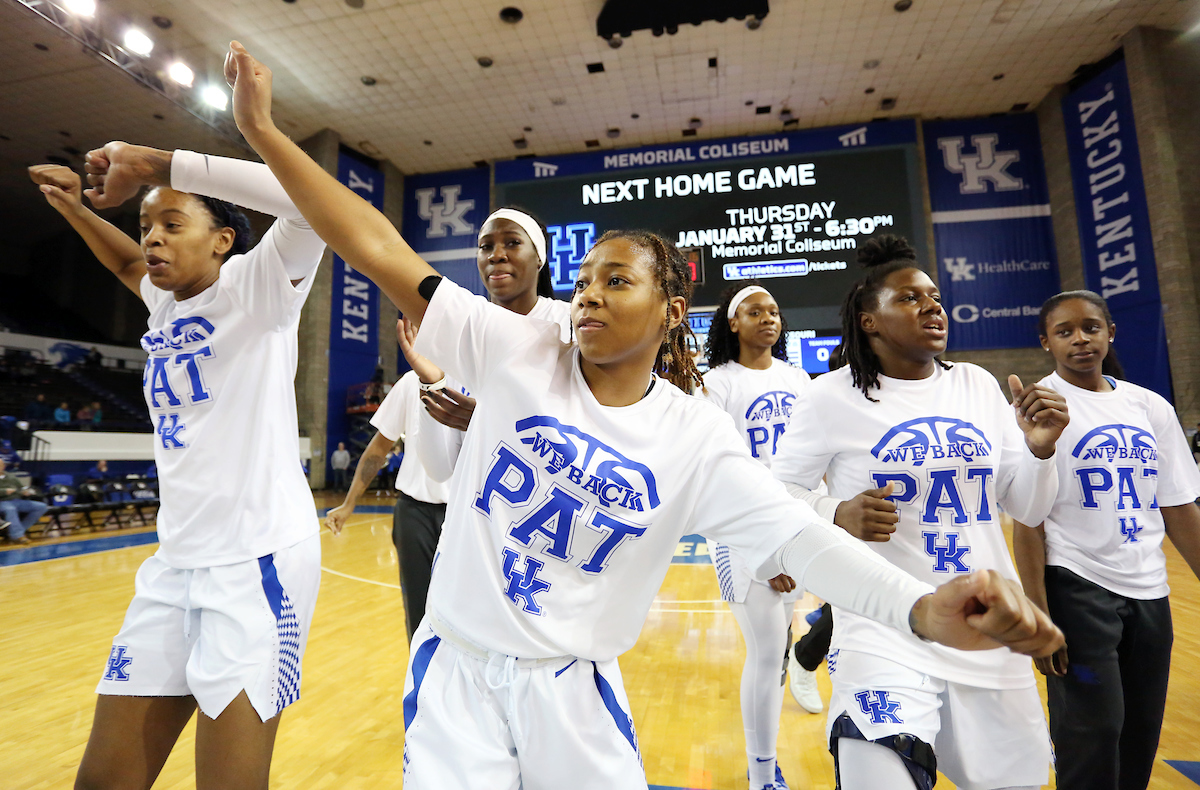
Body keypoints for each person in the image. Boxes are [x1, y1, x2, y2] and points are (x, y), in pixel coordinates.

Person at [224, 41, 1064, 789]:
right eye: (585, 280)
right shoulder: (516, 350)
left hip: (575, 688)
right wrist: (263, 131)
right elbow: (372, 242)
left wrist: (920, 609)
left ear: (671, 311)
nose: (590, 293)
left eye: (617, 280)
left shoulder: (693, 434)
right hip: (458, 676)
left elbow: (801, 537)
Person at [30, 132, 325, 790]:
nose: (153, 239)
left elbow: (308, 204)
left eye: (171, 223)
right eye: (145, 225)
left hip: (259, 563)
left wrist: (156, 165)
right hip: (174, 564)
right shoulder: (164, 302)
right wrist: (75, 209)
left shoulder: (260, 287)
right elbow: (123, 267)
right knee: (102, 781)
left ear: (222, 239)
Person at [772, 235, 1070, 790]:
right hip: (883, 631)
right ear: (869, 321)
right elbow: (775, 493)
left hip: (987, 630)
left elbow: (1027, 504)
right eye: (910, 298)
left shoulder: (977, 386)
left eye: (935, 296)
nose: (933, 306)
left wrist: (1041, 450)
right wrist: (835, 511)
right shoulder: (830, 396)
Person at [1011, 290, 1200, 790]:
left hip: (1150, 589)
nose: (1080, 339)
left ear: (1110, 332)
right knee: (1094, 729)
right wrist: (1037, 610)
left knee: (1140, 731)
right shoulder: (1038, 408)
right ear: (1045, 342)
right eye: (1065, 331)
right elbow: (1027, 522)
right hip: (1075, 585)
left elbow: (1178, 504)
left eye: (1091, 327)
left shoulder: (1148, 406)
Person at [699, 282, 814, 789]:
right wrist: (765, 549)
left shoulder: (798, 378)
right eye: (754, 311)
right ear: (732, 322)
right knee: (767, 651)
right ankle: (762, 774)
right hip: (741, 532)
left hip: (796, 522)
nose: (768, 318)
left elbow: (815, 460)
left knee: (781, 646)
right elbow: (716, 475)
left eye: (773, 311)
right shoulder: (716, 383)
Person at [413, 205, 572, 482]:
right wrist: (430, 382)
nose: (496, 255)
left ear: (540, 258)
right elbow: (439, 470)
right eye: (485, 247)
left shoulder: (570, 324)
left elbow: (589, 434)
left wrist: (490, 420)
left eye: (512, 243)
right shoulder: (462, 333)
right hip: (478, 516)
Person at [326, 320, 451, 643]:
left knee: (467, 611)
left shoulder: (480, 379)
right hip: (415, 513)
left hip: (466, 512)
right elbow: (378, 447)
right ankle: (421, 686)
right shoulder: (410, 383)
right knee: (419, 613)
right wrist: (349, 502)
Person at [0, 456, 49, 544]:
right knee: (10, 509)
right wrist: (4, 491)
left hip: (17, 500)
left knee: (41, 507)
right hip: (3, 502)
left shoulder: (10, 476)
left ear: (4, 466)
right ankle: (17, 536)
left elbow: (21, 488)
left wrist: (25, 492)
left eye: (1, 465)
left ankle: (18, 531)